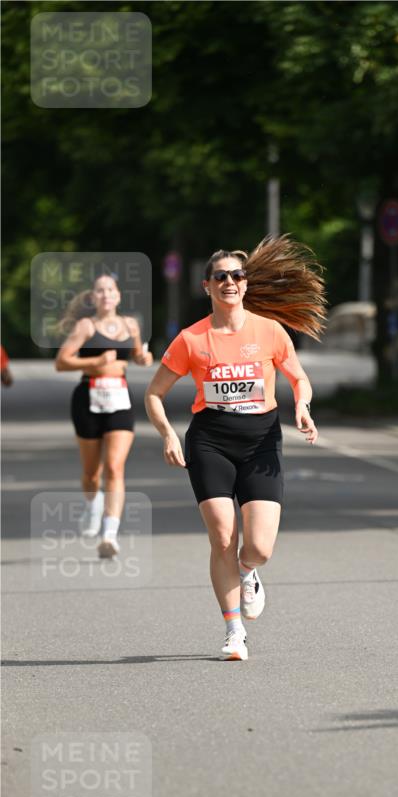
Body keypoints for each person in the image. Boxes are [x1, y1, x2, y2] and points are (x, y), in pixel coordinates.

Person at [145, 235, 325, 661]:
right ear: (207, 285)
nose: (230, 281)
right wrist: (169, 434)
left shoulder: (269, 331)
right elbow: (154, 394)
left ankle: (248, 573)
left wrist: (302, 406)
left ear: (246, 284)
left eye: (237, 275)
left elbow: (299, 378)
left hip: (261, 440)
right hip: (210, 439)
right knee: (223, 535)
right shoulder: (191, 339)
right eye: (221, 276)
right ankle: (233, 631)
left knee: (259, 547)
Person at [55, 273, 153, 557]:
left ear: (118, 296)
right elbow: (61, 362)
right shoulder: (86, 326)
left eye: (110, 289)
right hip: (88, 396)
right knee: (91, 472)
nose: (105, 294)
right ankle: (92, 504)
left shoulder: (130, 324)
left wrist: (143, 358)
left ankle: (109, 534)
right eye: (100, 290)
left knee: (114, 467)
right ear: (93, 297)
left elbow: (137, 354)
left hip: (119, 397)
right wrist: (96, 360)